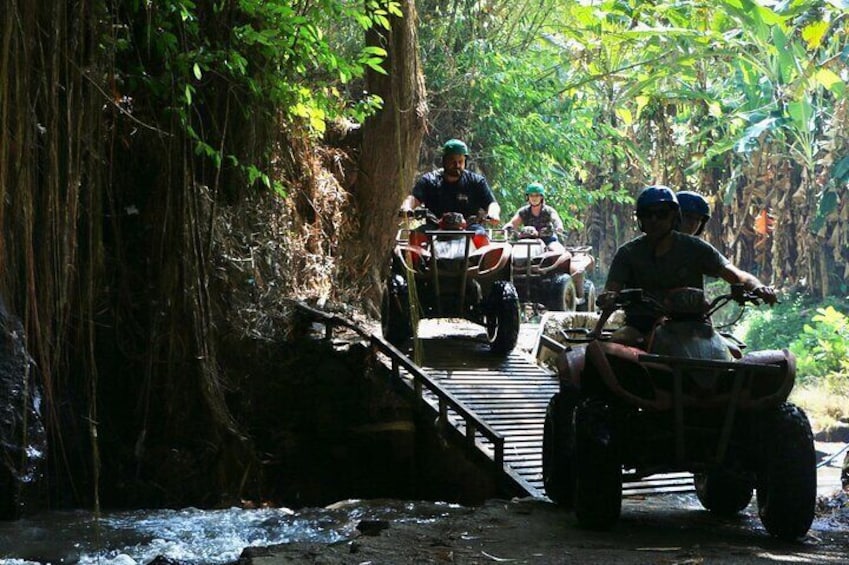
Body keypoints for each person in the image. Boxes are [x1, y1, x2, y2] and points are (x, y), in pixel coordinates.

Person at [596, 185, 776, 346]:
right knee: (617, 344)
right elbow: (611, 291)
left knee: (729, 354)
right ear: (640, 219)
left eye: (661, 214)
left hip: (693, 324)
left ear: (674, 217)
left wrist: (758, 287)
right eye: (647, 214)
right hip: (641, 326)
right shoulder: (628, 253)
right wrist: (608, 299)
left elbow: (736, 275)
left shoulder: (695, 248)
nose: (654, 220)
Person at [400, 139, 501, 231]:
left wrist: (493, 213)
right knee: (416, 237)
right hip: (435, 228)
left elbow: (492, 203)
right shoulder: (429, 180)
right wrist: (406, 207)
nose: (457, 165)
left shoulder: (476, 181)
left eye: (460, 161)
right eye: (452, 161)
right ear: (444, 160)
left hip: (469, 228)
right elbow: (413, 199)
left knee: (481, 236)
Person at [503, 182, 566, 253]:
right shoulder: (524, 211)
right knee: (509, 252)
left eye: (537, 195)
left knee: (559, 251)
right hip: (528, 241)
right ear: (528, 197)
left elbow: (555, 219)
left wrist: (559, 226)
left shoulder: (548, 210)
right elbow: (513, 223)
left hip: (548, 240)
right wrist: (506, 228)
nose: (534, 198)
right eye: (531, 196)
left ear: (541, 197)